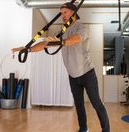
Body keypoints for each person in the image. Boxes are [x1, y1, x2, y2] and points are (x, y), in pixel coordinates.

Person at [12, 2, 110, 132]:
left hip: (87, 73)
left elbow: (75, 39)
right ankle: (83, 129)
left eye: (65, 12)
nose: (62, 15)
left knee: (96, 103)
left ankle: (106, 130)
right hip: (73, 76)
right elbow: (44, 44)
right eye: (61, 13)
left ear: (73, 12)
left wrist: (61, 42)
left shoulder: (82, 27)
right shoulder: (63, 31)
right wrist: (26, 49)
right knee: (79, 105)